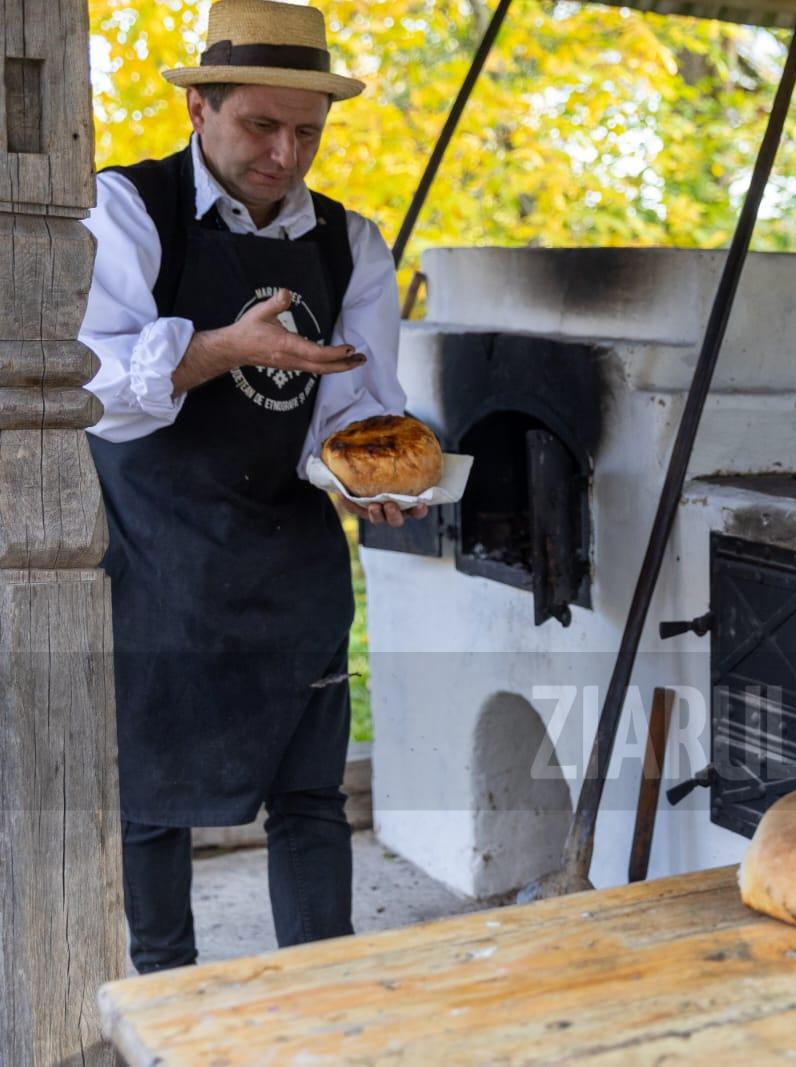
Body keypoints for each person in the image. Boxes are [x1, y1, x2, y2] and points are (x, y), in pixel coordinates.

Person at [81, 0, 423, 972]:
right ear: (200, 109)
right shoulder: (128, 211)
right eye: (260, 126)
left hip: (287, 571)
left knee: (311, 801)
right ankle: (168, 1006)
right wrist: (220, 349)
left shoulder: (347, 246)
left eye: (306, 132)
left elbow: (354, 410)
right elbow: (91, 384)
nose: (284, 153)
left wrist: (367, 472)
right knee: (149, 807)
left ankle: (318, 1004)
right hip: (157, 559)